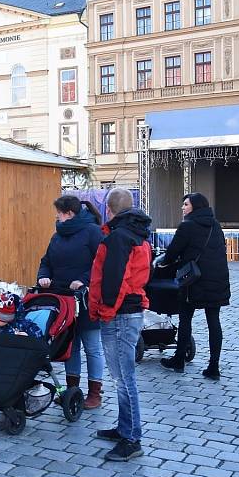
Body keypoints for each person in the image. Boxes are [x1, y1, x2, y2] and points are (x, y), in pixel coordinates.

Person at [89, 188, 152, 461]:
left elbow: (114, 281)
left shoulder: (118, 238)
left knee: (123, 378)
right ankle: (125, 428)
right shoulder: (138, 236)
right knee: (122, 377)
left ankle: (132, 438)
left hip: (119, 316)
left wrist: (104, 311)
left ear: (109, 210)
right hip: (129, 312)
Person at [37, 195, 106, 409]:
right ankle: (72, 390)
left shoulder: (93, 232)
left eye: (58, 212)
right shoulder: (57, 236)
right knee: (71, 346)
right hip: (63, 300)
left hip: (86, 299)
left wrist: (83, 280)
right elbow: (46, 261)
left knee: (92, 347)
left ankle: (95, 393)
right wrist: (43, 276)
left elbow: (101, 263)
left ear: (69, 213)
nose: (56, 216)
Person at [157, 193, 230, 380]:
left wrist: (161, 263)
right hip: (217, 280)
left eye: (186, 204)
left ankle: (179, 360)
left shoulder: (187, 225)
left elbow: (172, 253)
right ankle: (214, 367)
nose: (183, 207)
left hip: (193, 281)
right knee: (214, 322)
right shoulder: (216, 225)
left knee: (185, 319)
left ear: (195, 207)